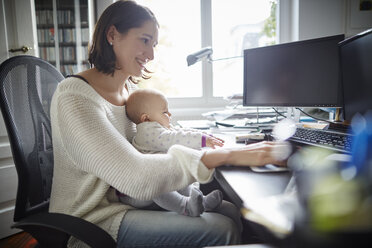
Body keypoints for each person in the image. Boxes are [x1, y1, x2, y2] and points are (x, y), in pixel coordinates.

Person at [49, 1, 288, 247]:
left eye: (153, 44)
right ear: (112, 35)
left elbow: (165, 134)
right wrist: (224, 156)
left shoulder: (129, 92)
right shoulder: (75, 98)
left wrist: (210, 142)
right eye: (144, 40)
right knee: (221, 229)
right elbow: (137, 178)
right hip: (94, 220)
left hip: (129, 202)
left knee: (229, 209)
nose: (151, 54)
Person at [117, 88, 225, 218]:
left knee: (180, 174)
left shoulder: (158, 128)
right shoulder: (148, 132)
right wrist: (202, 140)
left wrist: (205, 135)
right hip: (138, 193)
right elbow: (175, 137)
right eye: (165, 112)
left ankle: (199, 202)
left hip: (158, 182)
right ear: (146, 118)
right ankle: (185, 206)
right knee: (156, 182)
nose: (170, 114)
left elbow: (181, 131)